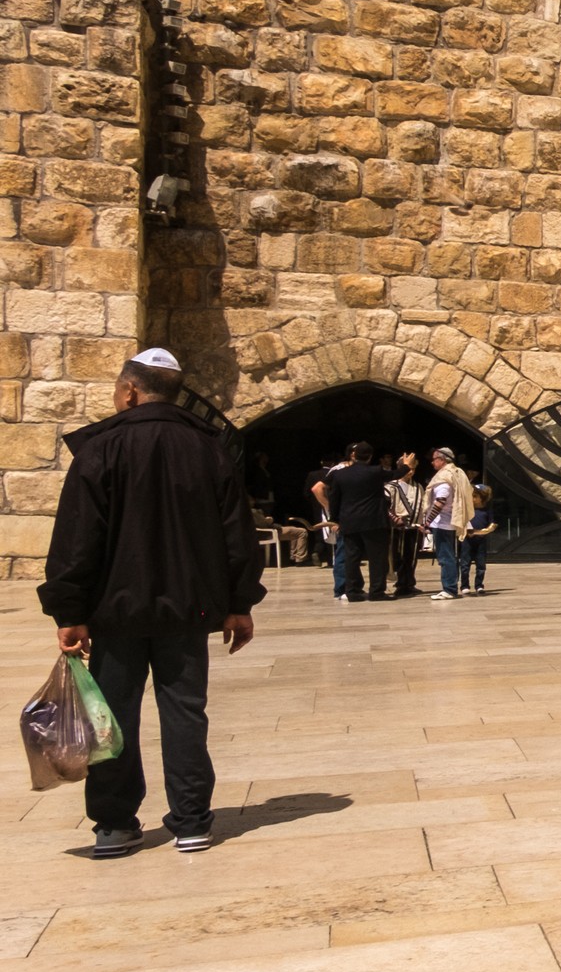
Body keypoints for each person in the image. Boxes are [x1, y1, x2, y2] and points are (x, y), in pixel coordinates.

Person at [39, 348, 263, 858]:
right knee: (186, 711)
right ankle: (192, 821)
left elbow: (77, 539)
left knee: (113, 715)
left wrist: (69, 612)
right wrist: (239, 602)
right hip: (188, 610)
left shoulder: (102, 449)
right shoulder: (210, 449)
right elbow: (237, 534)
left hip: (115, 613)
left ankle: (115, 824)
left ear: (130, 392)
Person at [313, 442, 394, 604]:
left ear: (354, 456)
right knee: (376, 558)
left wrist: (334, 518)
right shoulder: (374, 471)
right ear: (370, 456)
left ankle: (352, 591)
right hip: (373, 521)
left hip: (349, 521)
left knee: (351, 558)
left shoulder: (339, 474)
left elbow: (335, 498)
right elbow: (395, 474)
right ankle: (376, 591)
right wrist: (406, 466)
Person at [421, 446, 477, 601]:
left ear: (442, 459)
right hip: (451, 521)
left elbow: (440, 501)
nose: (432, 463)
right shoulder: (458, 473)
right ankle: (451, 587)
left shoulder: (444, 477)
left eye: (434, 459)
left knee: (446, 557)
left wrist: (427, 521)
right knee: (450, 556)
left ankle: (449, 589)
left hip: (443, 523)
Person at [387, 450, 425, 598]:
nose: (411, 472)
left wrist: (423, 523)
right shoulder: (391, 486)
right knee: (399, 556)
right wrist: (395, 519)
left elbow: (423, 505)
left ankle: (409, 583)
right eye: (408, 469)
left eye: (413, 469)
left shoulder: (418, 487)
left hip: (414, 527)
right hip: (398, 528)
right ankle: (401, 584)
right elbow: (385, 506)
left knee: (412, 557)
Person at [459, 483, 497, 593]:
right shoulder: (467, 510)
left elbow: (492, 525)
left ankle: (479, 585)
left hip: (481, 540)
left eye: (475, 496)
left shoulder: (487, 511)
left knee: (481, 564)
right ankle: (464, 586)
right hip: (467, 539)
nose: (472, 498)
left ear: (482, 498)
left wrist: (482, 532)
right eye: (471, 495)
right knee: (465, 564)